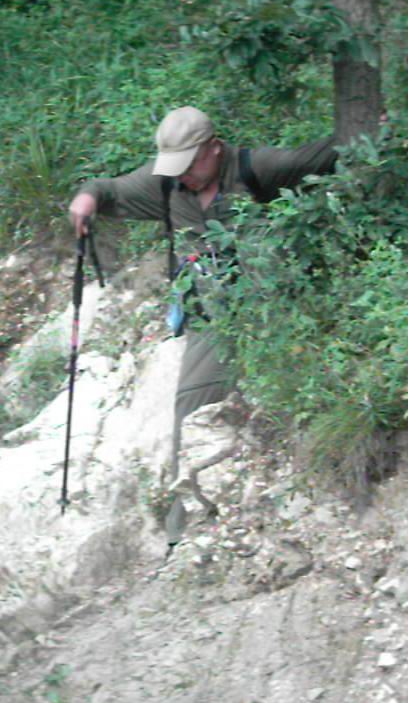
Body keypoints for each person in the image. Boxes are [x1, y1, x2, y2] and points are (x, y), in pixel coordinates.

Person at [69, 105, 337, 542]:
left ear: (215, 148)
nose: (183, 175)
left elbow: (327, 154)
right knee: (191, 409)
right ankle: (184, 533)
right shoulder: (165, 182)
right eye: (175, 166)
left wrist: (382, 131)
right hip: (212, 318)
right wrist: (86, 199)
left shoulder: (258, 168)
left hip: (276, 311)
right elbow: (108, 189)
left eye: (190, 163)